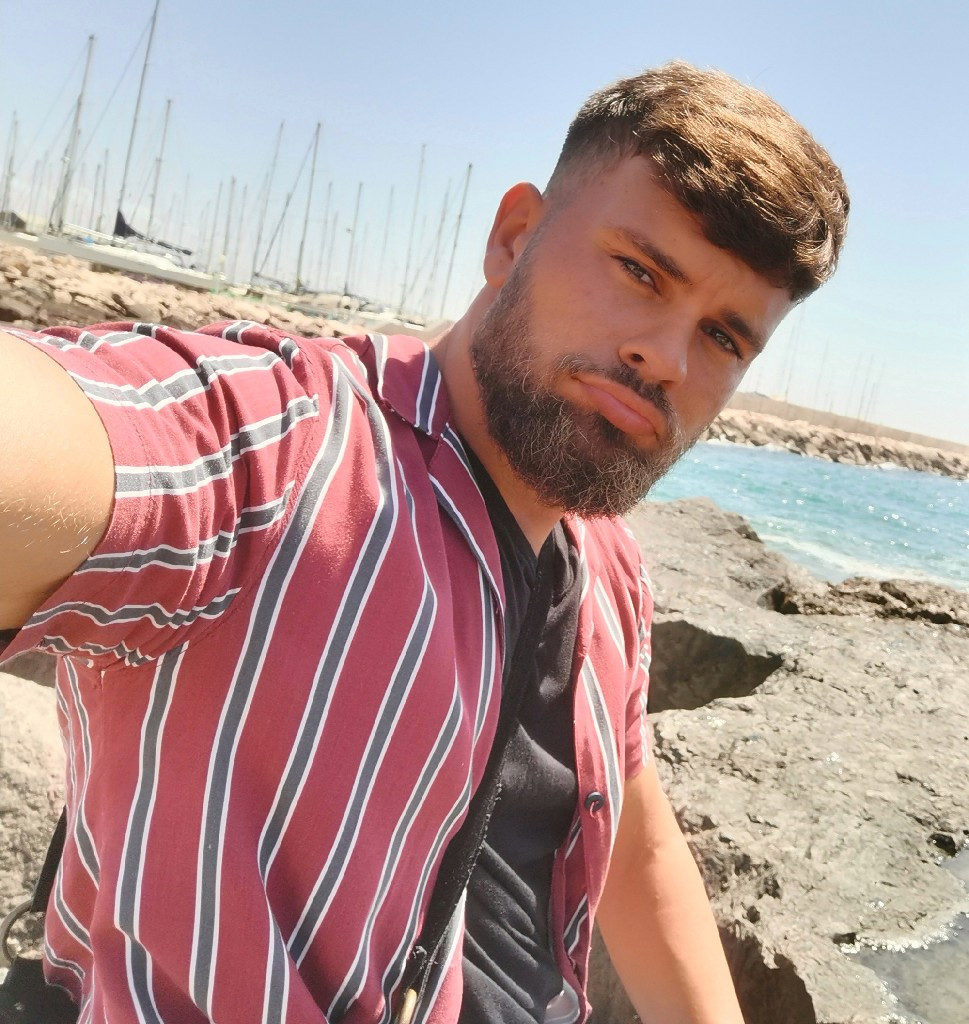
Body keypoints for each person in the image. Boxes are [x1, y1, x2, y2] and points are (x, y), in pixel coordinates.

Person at [0, 61, 848, 1024]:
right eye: (639, 271)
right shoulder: (287, 449)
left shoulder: (607, 568)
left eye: (725, 338)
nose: (666, 356)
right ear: (513, 236)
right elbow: (86, 444)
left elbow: (634, 835)